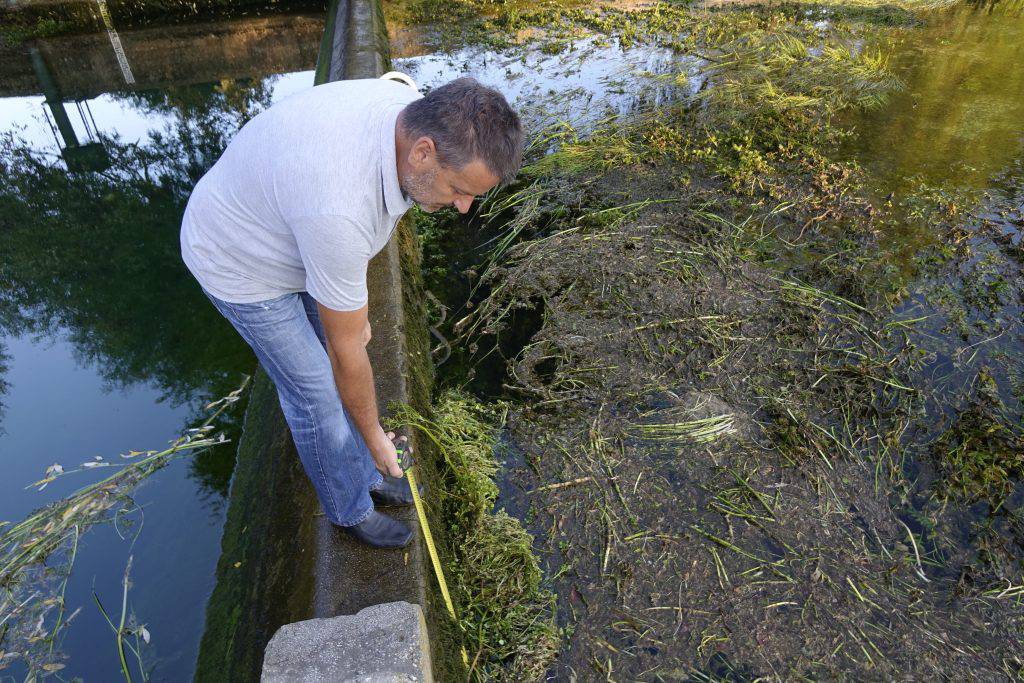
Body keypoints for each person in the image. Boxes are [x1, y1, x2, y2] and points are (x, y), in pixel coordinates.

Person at [180, 76, 523, 548]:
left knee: (347, 343)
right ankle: (349, 508)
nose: (464, 207)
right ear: (422, 152)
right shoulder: (339, 208)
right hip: (239, 262)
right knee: (315, 393)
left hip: (288, 226)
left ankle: (371, 473)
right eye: (459, 189)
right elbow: (345, 351)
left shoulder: (409, 111)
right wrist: (377, 436)